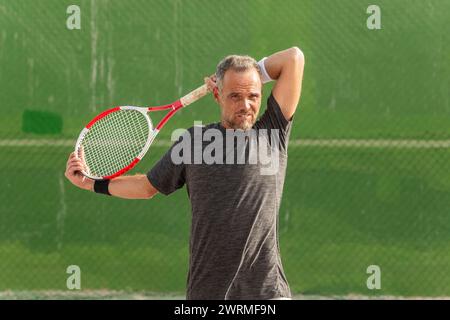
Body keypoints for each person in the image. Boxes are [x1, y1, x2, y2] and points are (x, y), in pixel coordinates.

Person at [65, 47, 305, 300]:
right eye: (234, 95)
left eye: (253, 96)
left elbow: (294, 58)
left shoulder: (272, 132)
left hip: (266, 293)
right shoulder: (193, 142)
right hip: (207, 293)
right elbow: (147, 187)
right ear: (217, 95)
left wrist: (252, 74)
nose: (246, 105)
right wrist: (91, 184)